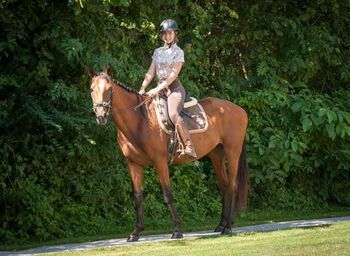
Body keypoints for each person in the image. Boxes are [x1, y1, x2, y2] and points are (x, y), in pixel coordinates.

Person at [139, 19, 197, 159]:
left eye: (170, 33)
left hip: (174, 89)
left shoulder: (179, 52)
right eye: (164, 34)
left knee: (173, 114)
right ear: (161, 36)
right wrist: (142, 88)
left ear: (175, 34)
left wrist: (156, 89)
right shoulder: (157, 52)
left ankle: (189, 147)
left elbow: (173, 75)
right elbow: (150, 72)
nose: (167, 36)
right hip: (160, 88)